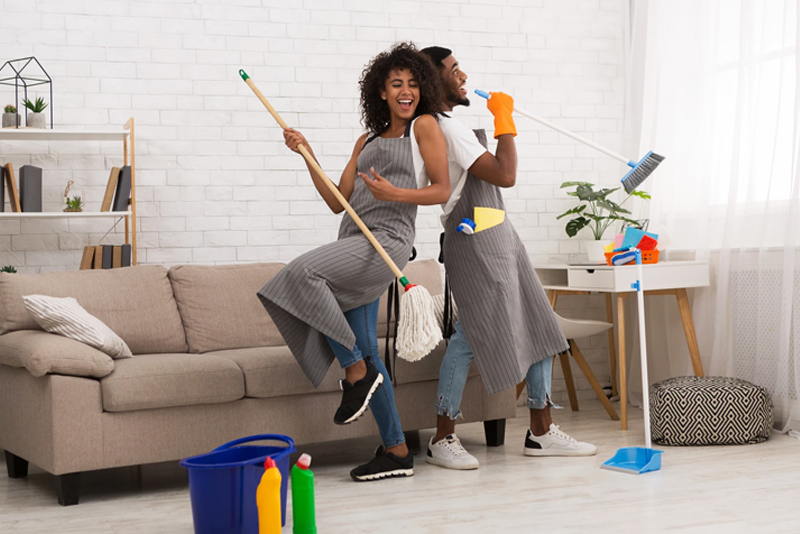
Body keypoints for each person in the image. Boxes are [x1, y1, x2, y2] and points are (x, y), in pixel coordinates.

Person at [258, 42, 450, 481]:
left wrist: (395, 194)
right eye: (396, 84)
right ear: (380, 92)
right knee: (366, 347)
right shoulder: (365, 140)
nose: (406, 91)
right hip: (354, 239)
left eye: (413, 84)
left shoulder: (422, 127)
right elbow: (337, 202)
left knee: (302, 272)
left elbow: (441, 189)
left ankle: (354, 372)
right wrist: (306, 154)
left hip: (389, 241)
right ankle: (397, 450)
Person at [419, 46, 597, 470]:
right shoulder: (445, 128)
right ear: (434, 81)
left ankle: (540, 431)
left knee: (540, 323)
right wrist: (505, 122)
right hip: (476, 240)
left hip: (500, 234)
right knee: (470, 336)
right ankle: (443, 437)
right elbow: (505, 174)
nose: (463, 77)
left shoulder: (452, 126)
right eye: (454, 71)